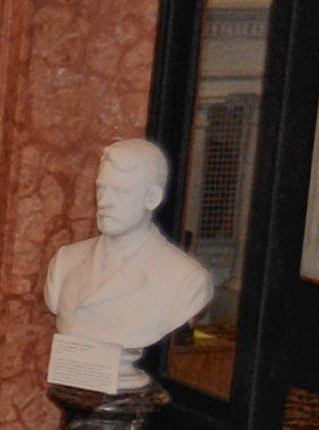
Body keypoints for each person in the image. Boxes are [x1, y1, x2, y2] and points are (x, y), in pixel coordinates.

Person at [43, 137, 214, 381]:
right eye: (101, 188)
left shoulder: (186, 280)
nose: (104, 202)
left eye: (121, 192)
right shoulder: (65, 262)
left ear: (152, 198)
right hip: (77, 375)